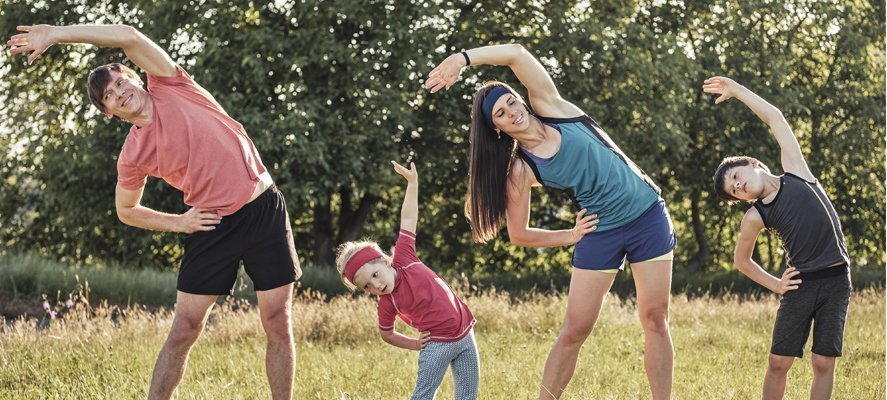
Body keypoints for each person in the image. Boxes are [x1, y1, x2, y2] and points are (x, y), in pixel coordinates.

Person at [6, 24, 301, 400]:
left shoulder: (170, 84)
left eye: (120, 82)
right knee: (185, 328)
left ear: (135, 78)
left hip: (263, 211)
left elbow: (128, 36)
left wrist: (57, 35)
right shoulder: (133, 154)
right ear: (109, 112)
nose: (119, 93)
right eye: (109, 96)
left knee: (277, 321)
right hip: (210, 225)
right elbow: (126, 210)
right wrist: (179, 223)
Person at [425, 44, 675, 400]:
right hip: (600, 231)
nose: (511, 111)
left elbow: (515, 53)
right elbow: (520, 234)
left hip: (647, 216)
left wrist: (462, 59)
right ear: (495, 128)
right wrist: (571, 235)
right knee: (574, 330)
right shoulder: (521, 169)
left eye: (511, 101)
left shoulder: (553, 108)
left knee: (654, 318)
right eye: (500, 113)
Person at [707, 76, 851, 400]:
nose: (738, 187)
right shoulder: (755, 216)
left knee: (823, 360)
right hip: (801, 284)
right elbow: (741, 261)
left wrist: (739, 91)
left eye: (736, 177)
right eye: (733, 191)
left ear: (753, 163)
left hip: (836, 277)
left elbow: (775, 118)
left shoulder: (795, 170)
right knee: (778, 361)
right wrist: (775, 284)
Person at [336, 161, 479, 400]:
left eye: (374, 275)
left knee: (467, 396)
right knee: (423, 396)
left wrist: (412, 183)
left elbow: (409, 216)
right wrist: (414, 344)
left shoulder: (404, 256)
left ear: (383, 260)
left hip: (465, 333)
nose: (375, 285)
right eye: (367, 286)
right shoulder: (387, 303)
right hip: (437, 345)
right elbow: (386, 334)